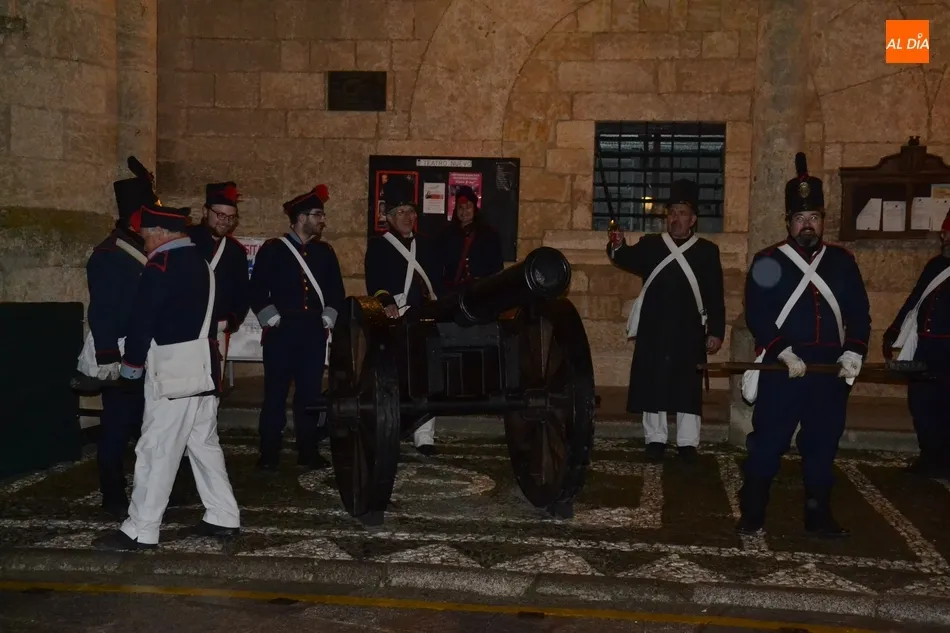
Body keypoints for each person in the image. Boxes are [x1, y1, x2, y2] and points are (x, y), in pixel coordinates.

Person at [92, 203, 241, 551]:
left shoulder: (161, 266)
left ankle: (141, 528)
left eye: (146, 235)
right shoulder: (201, 263)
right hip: (205, 368)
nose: (145, 242)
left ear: (160, 233)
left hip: (174, 372)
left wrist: (130, 367)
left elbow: (143, 322)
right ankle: (223, 514)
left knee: (156, 448)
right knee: (203, 445)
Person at [737, 152, 871, 538]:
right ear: (788, 221)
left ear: (823, 220)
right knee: (767, 444)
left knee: (822, 446)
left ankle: (818, 515)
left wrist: (854, 350)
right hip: (783, 366)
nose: (807, 224)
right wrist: (780, 349)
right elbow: (757, 312)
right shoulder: (767, 260)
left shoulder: (842, 261)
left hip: (829, 369)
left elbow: (859, 312)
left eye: (813, 217)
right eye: (800, 217)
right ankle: (752, 512)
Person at [606, 179, 726, 463]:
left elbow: (715, 294)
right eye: (672, 213)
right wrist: (617, 244)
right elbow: (625, 257)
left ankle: (687, 442)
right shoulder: (651, 245)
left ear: (693, 219)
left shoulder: (707, 251)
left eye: (682, 213)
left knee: (688, 387)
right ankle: (655, 438)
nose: (676, 218)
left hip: (689, 330)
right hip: (655, 328)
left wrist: (716, 331)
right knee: (654, 382)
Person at [248, 185, 345, 471]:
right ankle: (269, 450)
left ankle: (308, 449)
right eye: (317, 215)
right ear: (301, 218)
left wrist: (327, 318)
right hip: (281, 331)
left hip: (312, 331)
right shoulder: (273, 250)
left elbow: (336, 292)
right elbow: (256, 291)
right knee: (275, 393)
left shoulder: (325, 252)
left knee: (310, 394)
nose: (322, 220)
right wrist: (272, 318)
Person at [81, 157, 155, 520]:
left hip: (146, 353)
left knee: (146, 425)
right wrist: (109, 358)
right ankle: (112, 493)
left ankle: (153, 488)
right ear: (134, 218)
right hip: (122, 355)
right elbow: (102, 311)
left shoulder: (146, 250)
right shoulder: (109, 255)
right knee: (116, 427)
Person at [365, 175, 444, 456]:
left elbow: (438, 282)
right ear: (388, 217)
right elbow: (375, 282)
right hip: (397, 316)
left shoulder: (428, 245)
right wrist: (386, 300)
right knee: (398, 376)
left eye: (411, 211)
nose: (408, 217)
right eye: (401, 212)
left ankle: (425, 436)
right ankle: (394, 427)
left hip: (426, 315)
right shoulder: (379, 246)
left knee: (429, 374)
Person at [883, 209, 950, 477]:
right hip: (925, 348)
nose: (946, 238)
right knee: (921, 402)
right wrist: (893, 329)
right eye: (946, 233)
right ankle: (929, 457)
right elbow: (916, 300)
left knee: (945, 406)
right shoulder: (934, 266)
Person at [186, 181, 251, 378]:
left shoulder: (236, 251)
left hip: (217, 330)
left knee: (212, 387)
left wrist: (229, 321)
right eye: (220, 215)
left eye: (231, 217)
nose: (225, 222)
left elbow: (242, 294)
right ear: (205, 211)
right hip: (182, 329)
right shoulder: (185, 240)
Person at [439, 185, 504, 292]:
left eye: (468, 206)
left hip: (481, 291)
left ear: (474, 208)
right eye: (460, 207)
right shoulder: (446, 235)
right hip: (454, 292)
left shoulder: (489, 235)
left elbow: (496, 268)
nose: (464, 211)